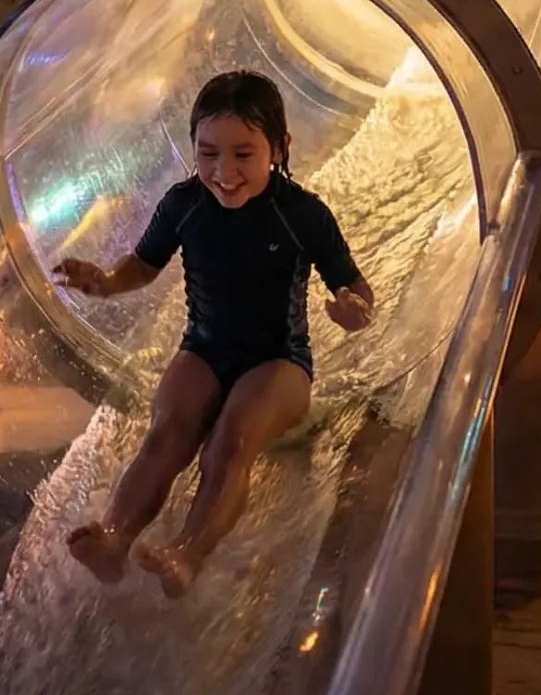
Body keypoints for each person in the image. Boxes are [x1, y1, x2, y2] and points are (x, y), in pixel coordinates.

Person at [57, 69, 375, 597]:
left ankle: (188, 552)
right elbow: (143, 263)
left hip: (279, 361)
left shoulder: (302, 214)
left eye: (243, 154)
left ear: (279, 148)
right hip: (203, 349)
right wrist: (106, 283)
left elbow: (354, 285)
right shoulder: (184, 205)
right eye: (208, 153)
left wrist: (354, 308)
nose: (224, 171)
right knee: (166, 434)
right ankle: (114, 539)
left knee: (229, 443)